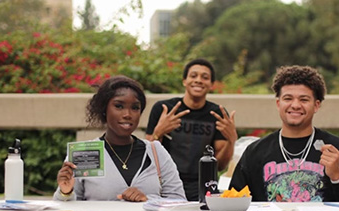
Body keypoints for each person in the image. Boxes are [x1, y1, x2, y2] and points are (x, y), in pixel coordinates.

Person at [229, 65, 339, 202]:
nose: (295, 105)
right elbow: (233, 202)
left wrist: (337, 177)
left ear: (316, 105)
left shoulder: (338, 149)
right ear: (278, 104)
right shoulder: (255, 152)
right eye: (288, 98)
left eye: (304, 99)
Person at [54, 76, 186, 202]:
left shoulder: (156, 151)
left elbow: (178, 201)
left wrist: (148, 200)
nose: (127, 114)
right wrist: (66, 192)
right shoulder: (83, 154)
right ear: (104, 109)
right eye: (119, 106)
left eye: (135, 108)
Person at [145, 58, 238, 201]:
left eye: (205, 77)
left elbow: (220, 166)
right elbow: (147, 158)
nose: (198, 80)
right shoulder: (164, 109)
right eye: (193, 76)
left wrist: (231, 141)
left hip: (203, 185)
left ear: (212, 84)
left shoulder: (217, 114)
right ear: (184, 81)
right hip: (166, 184)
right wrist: (158, 132)